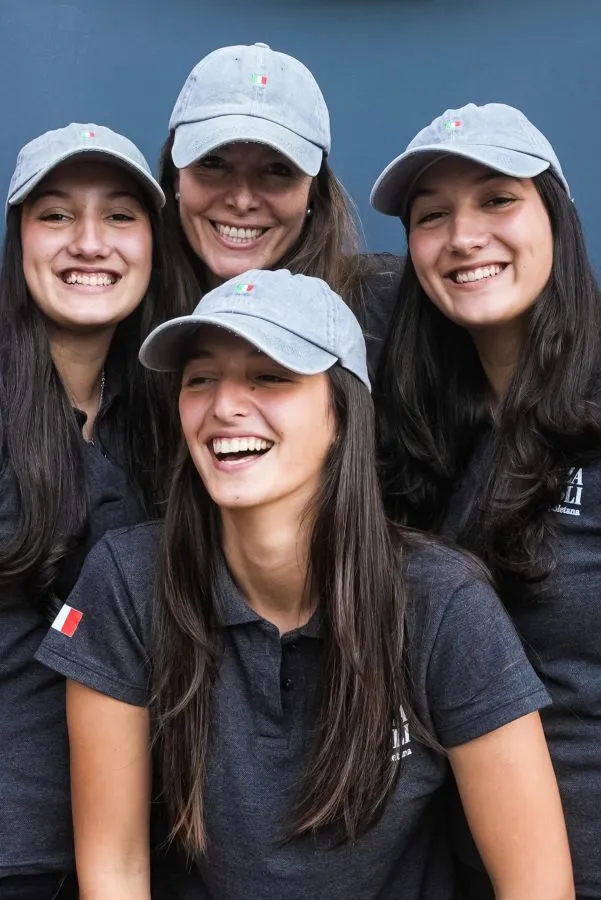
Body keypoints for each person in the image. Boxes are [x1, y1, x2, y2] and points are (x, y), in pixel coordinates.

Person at [36, 268, 573, 899]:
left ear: (343, 414)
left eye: (271, 376)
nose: (225, 405)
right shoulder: (128, 581)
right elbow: (116, 873)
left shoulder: (441, 602)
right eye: (201, 378)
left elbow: (537, 887)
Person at [371, 102, 601, 898]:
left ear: (557, 218)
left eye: (497, 199)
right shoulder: (424, 433)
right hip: (468, 866)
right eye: (432, 216)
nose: (463, 236)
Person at [0, 123, 182, 899]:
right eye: (54, 215)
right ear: (18, 240)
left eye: (119, 216)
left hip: (139, 852)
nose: (89, 242)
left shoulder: (176, 414)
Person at [159, 41, 401, 372]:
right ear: (175, 180)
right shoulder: (124, 316)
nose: (242, 200)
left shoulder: (389, 310)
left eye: (277, 170)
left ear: (313, 195)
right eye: (213, 163)